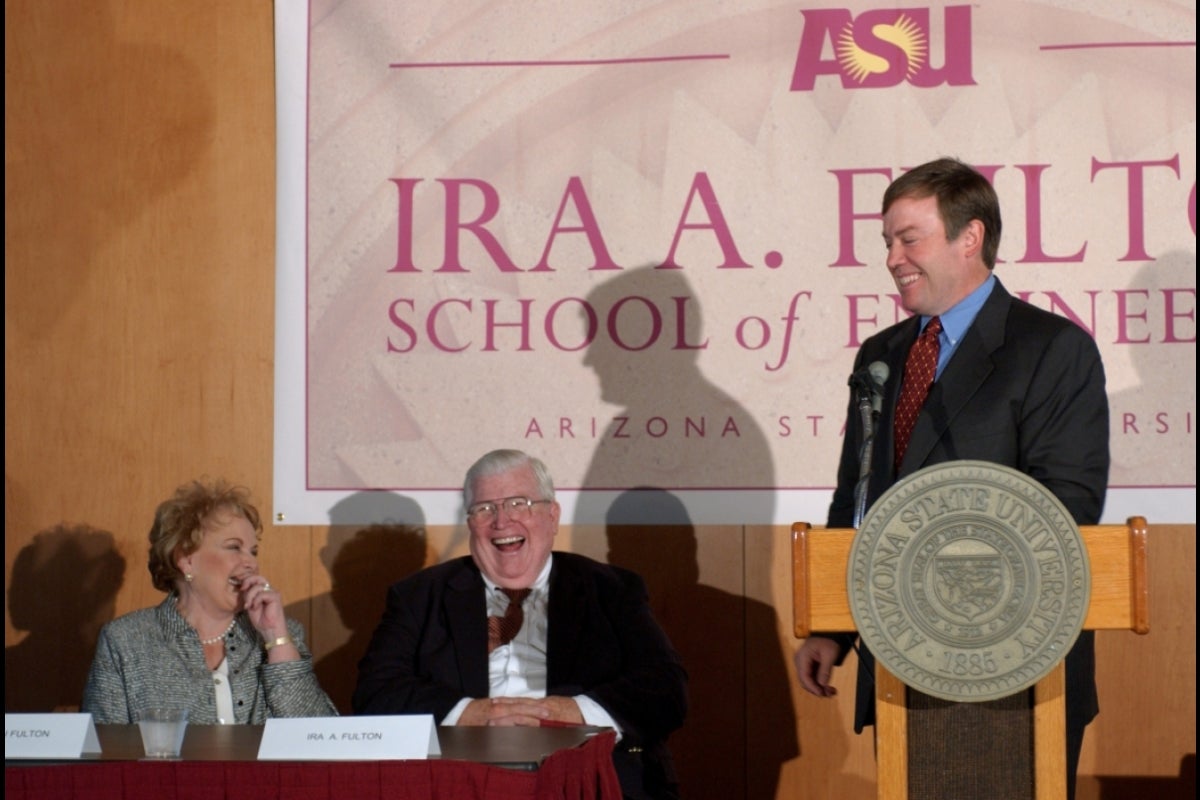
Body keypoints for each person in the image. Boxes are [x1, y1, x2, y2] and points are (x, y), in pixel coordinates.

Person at [794, 157, 1108, 799]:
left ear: (970, 237)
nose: (892, 256)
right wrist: (833, 623)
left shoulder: (1051, 349)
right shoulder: (881, 355)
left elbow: (1068, 503)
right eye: (887, 241)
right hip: (899, 654)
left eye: (910, 237)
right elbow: (857, 494)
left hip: (1014, 661)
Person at [353, 449, 688, 800]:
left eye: (519, 503)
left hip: (589, 772)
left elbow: (665, 689)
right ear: (470, 523)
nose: (502, 521)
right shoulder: (419, 596)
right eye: (485, 509)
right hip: (459, 776)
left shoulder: (611, 589)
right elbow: (375, 692)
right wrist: (472, 714)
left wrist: (565, 713)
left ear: (553, 516)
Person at [82, 479, 336, 723]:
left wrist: (276, 639)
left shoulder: (282, 636)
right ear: (186, 559)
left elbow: (319, 739)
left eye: (253, 551)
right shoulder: (126, 641)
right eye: (234, 547)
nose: (251, 562)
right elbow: (102, 752)